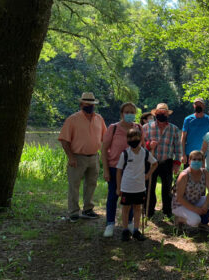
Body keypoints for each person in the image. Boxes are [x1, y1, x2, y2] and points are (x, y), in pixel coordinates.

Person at [59, 92, 106, 222]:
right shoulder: (72, 119)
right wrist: (71, 157)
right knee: (74, 185)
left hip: (94, 157)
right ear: (81, 104)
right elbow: (64, 140)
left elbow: (105, 138)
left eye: (92, 104)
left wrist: (104, 155)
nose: (90, 106)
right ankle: (73, 212)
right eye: (87, 104)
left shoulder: (99, 119)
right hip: (77, 157)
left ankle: (88, 209)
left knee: (91, 184)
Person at [101, 102, 144, 237]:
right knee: (113, 196)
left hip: (132, 169)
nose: (130, 114)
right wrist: (106, 170)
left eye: (133, 112)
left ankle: (130, 223)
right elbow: (104, 149)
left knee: (132, 196)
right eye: (127, 112)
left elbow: (140, 148)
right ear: (121, 114)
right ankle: (110, 224)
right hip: (114, 168)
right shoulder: (113, 128)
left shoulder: (138, 128)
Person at [116, 128, 158, 241]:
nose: (132, 140)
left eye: (135, 138)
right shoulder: (125, 153)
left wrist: (148, 174)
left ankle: (136, 230)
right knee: (125, 209)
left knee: (138, 208)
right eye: (130, 138)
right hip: (126, 186)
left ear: (140, 139)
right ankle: (125, 230)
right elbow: (119, 170)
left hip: (139, 187)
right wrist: (118, 187)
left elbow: (154, 163)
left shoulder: (145, 153)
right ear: (127, 139)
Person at [142, 103, 182, 219]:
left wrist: (177, 163)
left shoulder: (174, 129)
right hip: (151, 162)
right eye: (159, 113)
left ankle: (167, 210)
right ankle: (149, 210)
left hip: (167, 161)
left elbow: (178, 147)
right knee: (149, 186)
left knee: (167, 188)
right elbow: (141, 145)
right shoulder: (146, 127)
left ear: (167, 115)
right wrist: (149, 145)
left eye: (164, 113)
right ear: (155, 114)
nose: (161, 115)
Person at [172, 151, 209, 230]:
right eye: (194, 159)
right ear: (189, 161)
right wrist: (195, 209)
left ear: (203, 161)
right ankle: (179, 219)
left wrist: (206, 205)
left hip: (195, 201)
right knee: (195, 221)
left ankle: (201, 219)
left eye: (199, 159)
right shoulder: (184, 175)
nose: (197, 161)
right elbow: (179, 198)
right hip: (180, 205)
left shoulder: (205, 172)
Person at [181, 98, 209, 166]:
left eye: (200, 104)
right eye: (196, 104)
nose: (198, 106)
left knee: (202, 175)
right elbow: (183, 137)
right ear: (194, 106)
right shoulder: (187, 119)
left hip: (204, 155)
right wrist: (183, 154)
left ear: (204, 106)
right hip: (189, 154)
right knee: (188, 175)